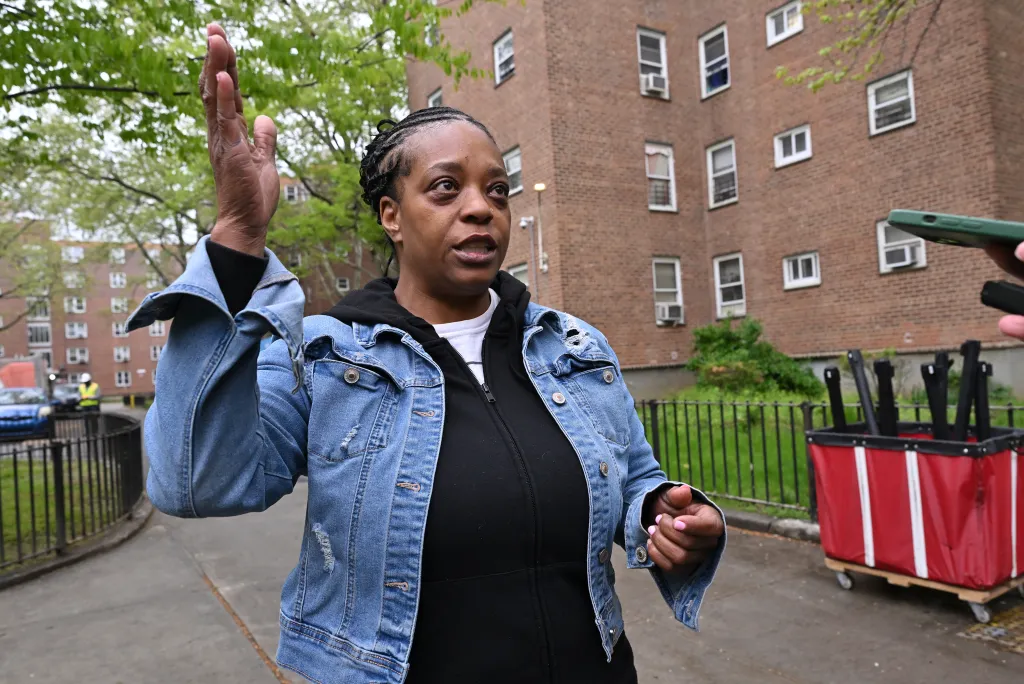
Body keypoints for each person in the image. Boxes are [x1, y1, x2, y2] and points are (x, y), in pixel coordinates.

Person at [127, 24, 726, 684]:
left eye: (497, 190)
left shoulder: (572, 346)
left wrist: (663, 517)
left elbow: (635, 478)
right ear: (392, 216)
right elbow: (194, 481)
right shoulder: (323, 357)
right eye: (446, 188)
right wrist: (237, 240)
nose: (481, 209)